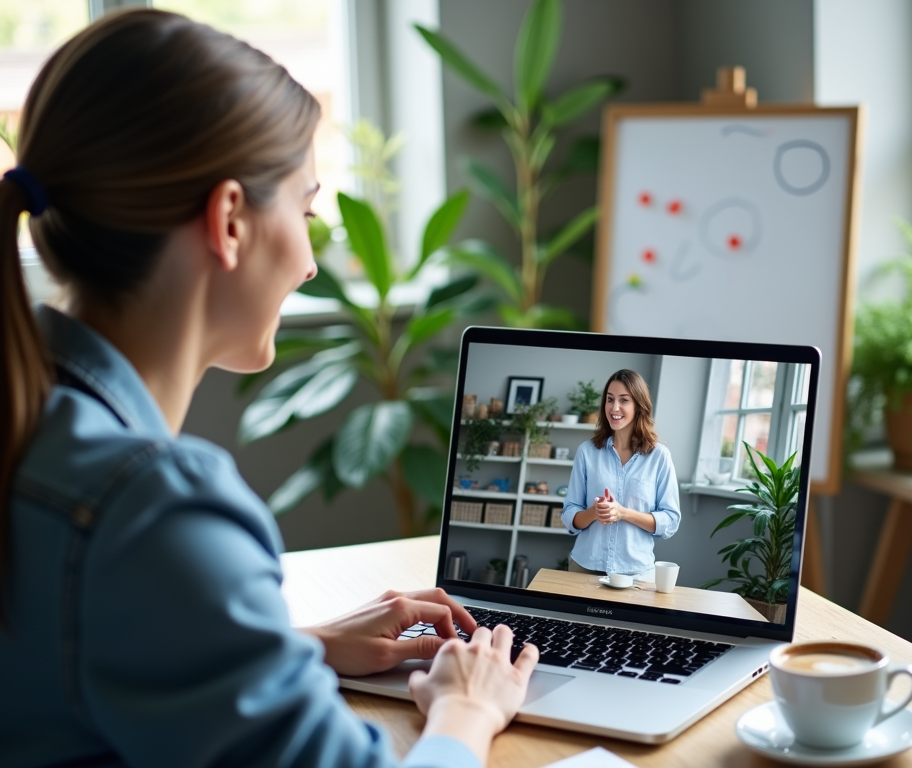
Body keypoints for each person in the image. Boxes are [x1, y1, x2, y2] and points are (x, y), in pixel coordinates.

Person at [0, 10, 536, 768]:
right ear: (229, 222)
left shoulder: (34, 428)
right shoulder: (152, 510)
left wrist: (294, 648)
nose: (312, 263)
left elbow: (65, 661)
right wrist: (467, 709)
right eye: (307, 208)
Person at [560, 369, 681, 582]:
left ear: (639, 406)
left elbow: (670, 520)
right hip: (585, 567)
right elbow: (570, 513)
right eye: (610, 399)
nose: (614, 408)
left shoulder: (659, 456)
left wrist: (623, 513)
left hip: (637, 573)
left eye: (624, 400)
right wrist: (595, 513)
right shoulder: (587, 452)